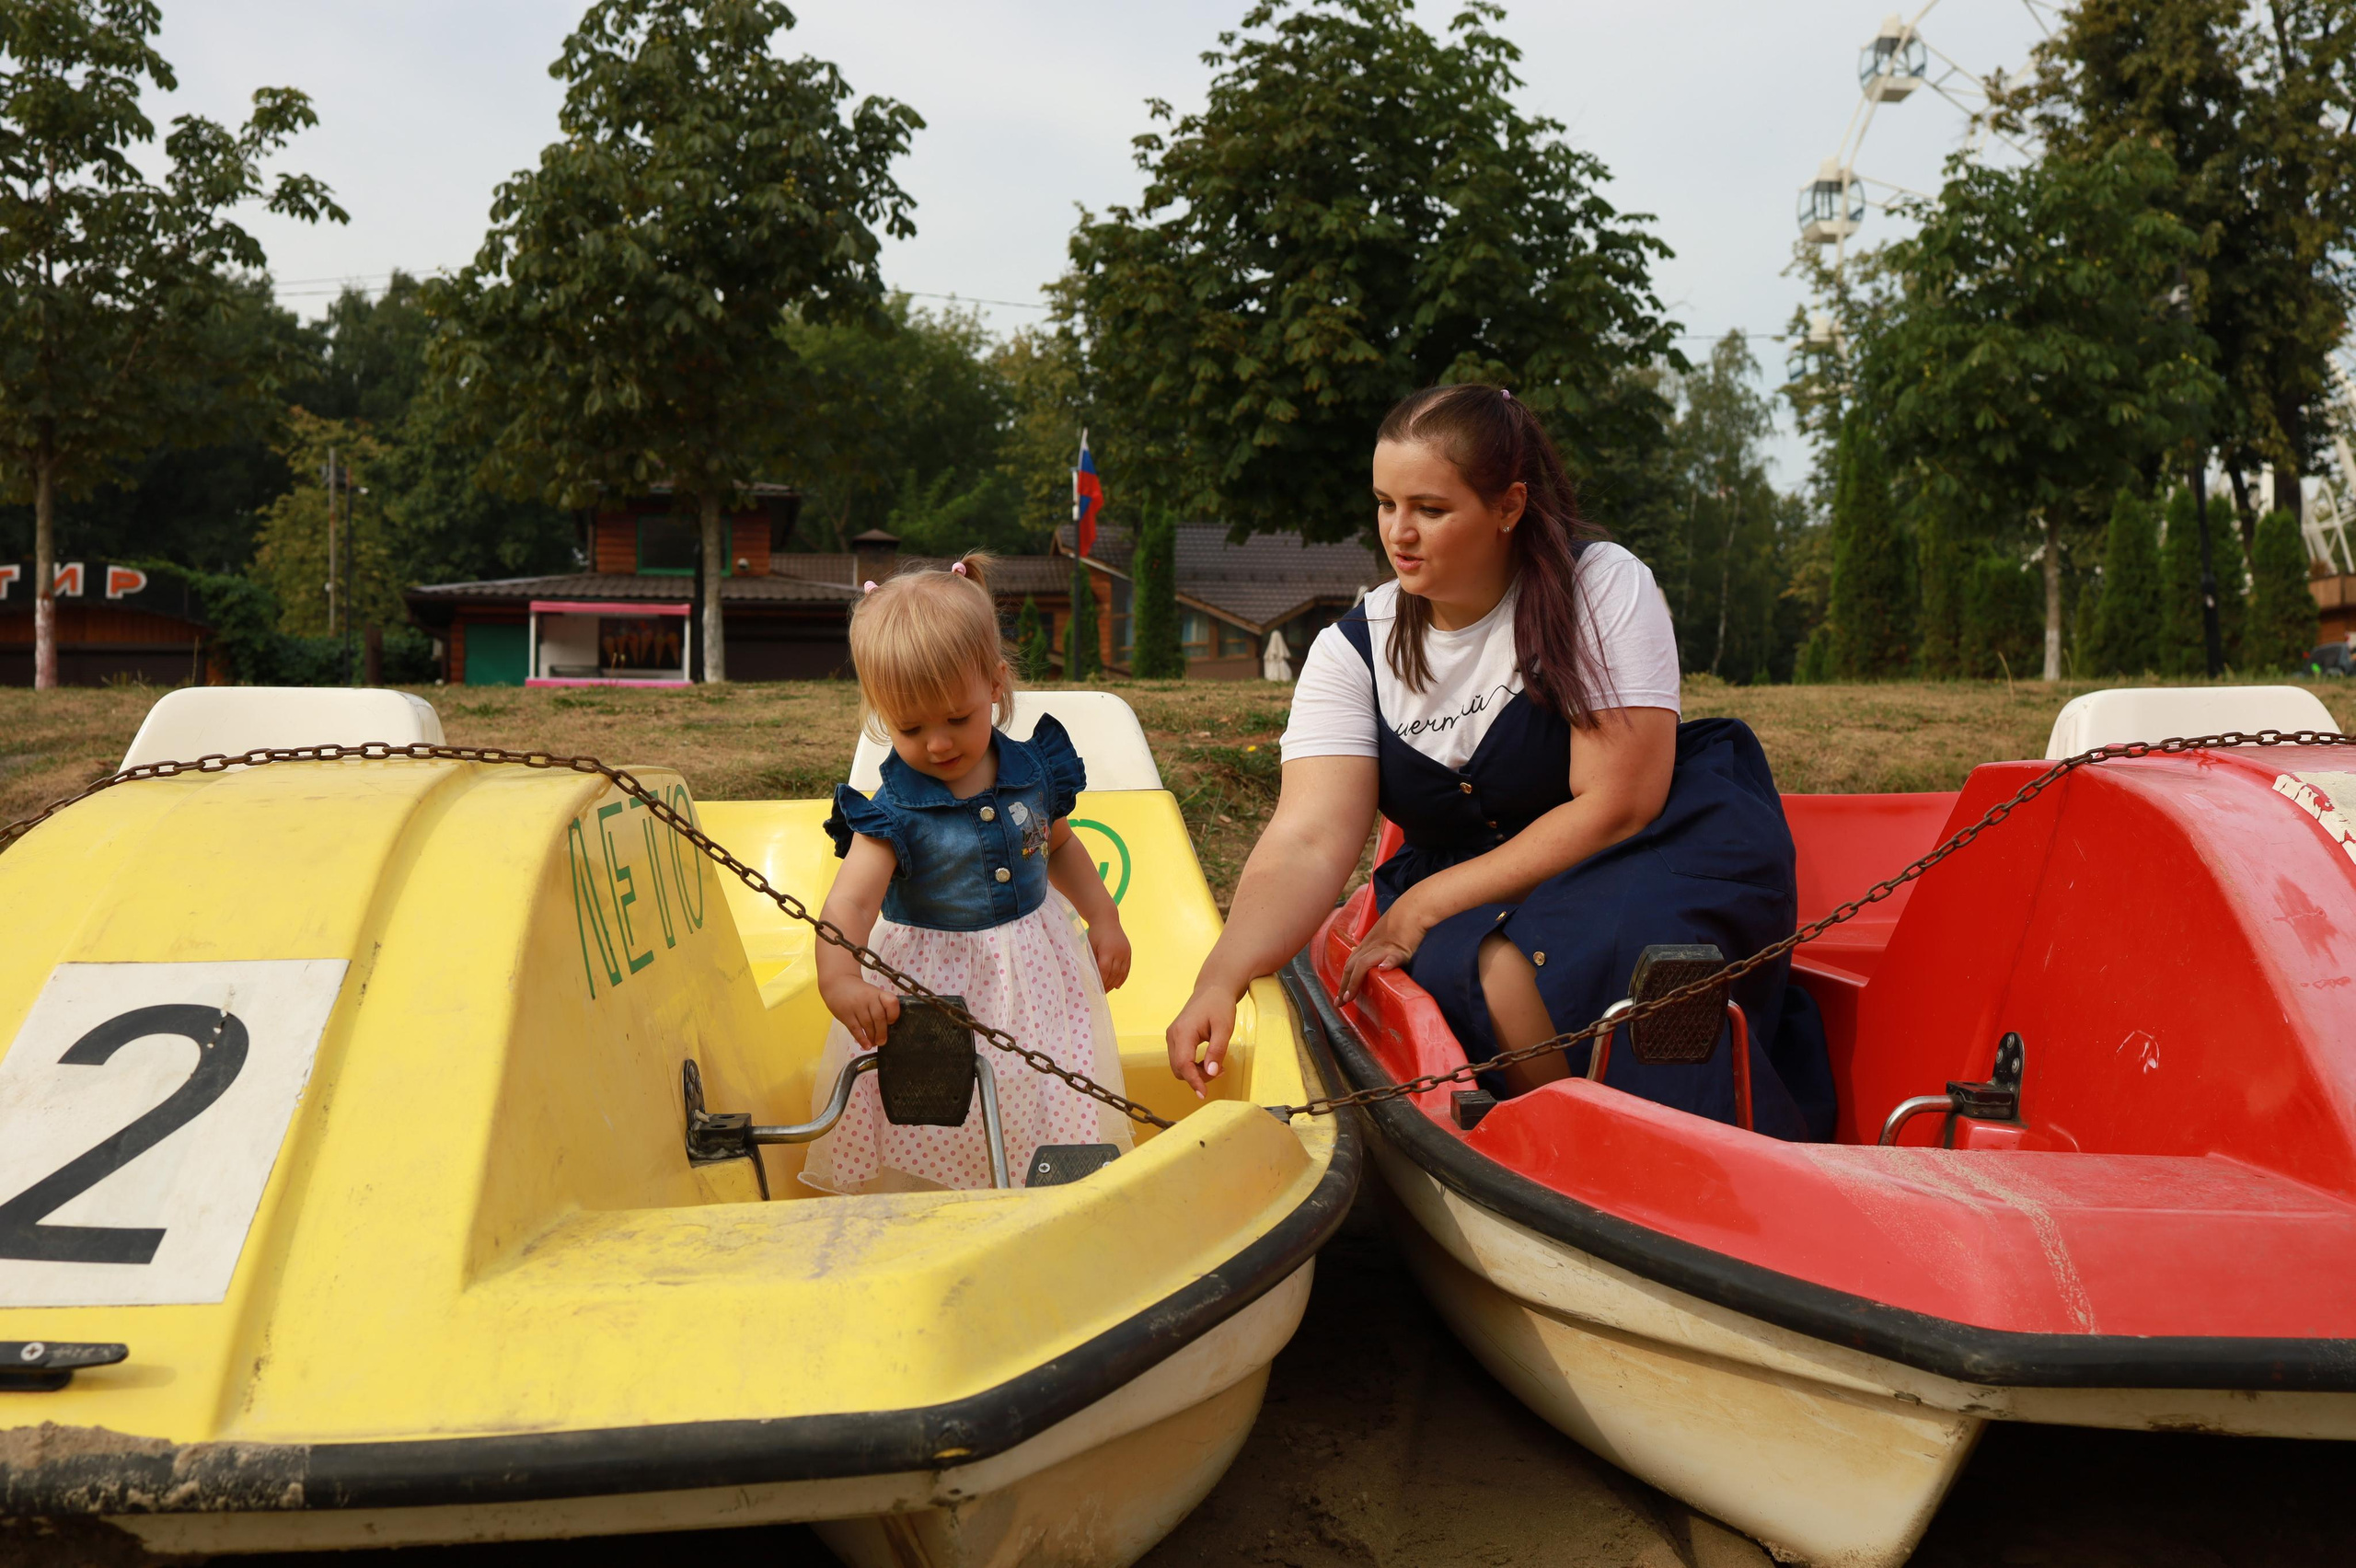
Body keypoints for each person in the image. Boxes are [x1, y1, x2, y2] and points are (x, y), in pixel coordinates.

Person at [1165, 386, 1835, 1139]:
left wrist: (1420, 905)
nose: (1399, 533)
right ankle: (1578, 1155)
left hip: (1646, 839)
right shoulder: (1353, 648)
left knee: (1633, 949)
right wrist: (1219, 975)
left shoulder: (1600, 583)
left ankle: (1701, 1159)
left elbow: (1620, 801)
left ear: (1509, 506)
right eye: (1385, 504)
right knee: (1495, 967)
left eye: (1431, 508)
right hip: (1474, 871)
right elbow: (1307, 838)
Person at [806, 555, 1135, 1193]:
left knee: (1042, 1084)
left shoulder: (1033, 772)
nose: (937, 743)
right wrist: (839, 977)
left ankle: (1049, 1201)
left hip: (1035, 979)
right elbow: (849, 907)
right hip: (932, 991)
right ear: (880, 713)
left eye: (956, 718)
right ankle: (939, 1210)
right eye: (909, 727)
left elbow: (1058, 847)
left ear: (995, 685)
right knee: (939, 1115)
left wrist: (1103, 916)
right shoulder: (894, 814)